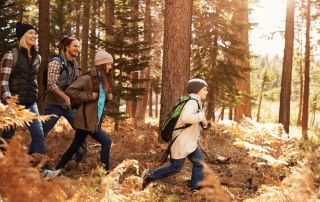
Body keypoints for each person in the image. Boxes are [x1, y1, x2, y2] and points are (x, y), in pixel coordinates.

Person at [0, 22, 60, 177]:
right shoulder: (11, 55)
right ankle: (4, 170)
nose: (34, 36)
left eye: (35, 33)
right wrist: (8, 99)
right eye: (31, 33)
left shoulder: (37, 57)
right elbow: (4, 80)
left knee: (38, 133)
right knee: (7, 137)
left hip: (30, 102)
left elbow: (31, 79)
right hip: (12, 102)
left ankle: (43, 170)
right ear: (22, 36)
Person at [142, 78, 209, 192]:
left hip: (189, 142)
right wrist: (201, 117)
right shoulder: (192, 102)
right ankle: (149, 175)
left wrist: (204, 121)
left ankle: (195, 188)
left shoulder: (195, 102)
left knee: (199, 162)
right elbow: (186, 118)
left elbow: (196, 120)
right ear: (197, 90)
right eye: (204, 89)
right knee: (175, 168)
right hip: (182, 141)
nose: (206, 92)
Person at [28, 37, 87, 163]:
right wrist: (65, 97)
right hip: (54, 104)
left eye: (78, 46)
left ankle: (80, 161)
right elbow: (51, 85)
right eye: (74, 46)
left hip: (70, 106)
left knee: (82, 130)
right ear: (66, 47)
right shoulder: (55, 62)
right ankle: (30, 158)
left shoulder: (75, 65)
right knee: (41, 134)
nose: (77, 49)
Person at [55, 48, 114, 172]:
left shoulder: (103, 81)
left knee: (74, 147)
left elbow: (98, 101)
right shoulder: (88, 78)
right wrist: (88, 96)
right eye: (108, 64)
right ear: (102, 65)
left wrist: (108, 98)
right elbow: (70, 90)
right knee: (106, 142)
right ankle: (106, 177)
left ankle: (56, 170)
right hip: (87, 120)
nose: (110, 67)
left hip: (92, 119)